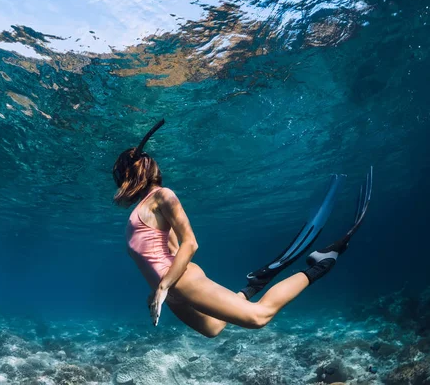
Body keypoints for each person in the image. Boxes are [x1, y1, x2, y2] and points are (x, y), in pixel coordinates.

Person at [113, 119, 372, 338]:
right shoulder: (141, 209)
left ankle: (320, 264)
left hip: (178, 282)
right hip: (170, 290)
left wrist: (162, 286)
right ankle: (253, 285)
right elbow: (164, 248)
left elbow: (190, 243)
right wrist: (157, 289)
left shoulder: (163, 196)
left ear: (130, 174)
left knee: (258, 317)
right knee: (212, 328)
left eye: (118, 175)